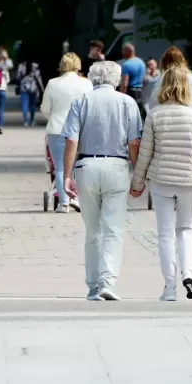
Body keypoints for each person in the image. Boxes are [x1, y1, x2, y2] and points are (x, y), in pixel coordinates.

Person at [131, 67, 192, 301]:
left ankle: (169, 287)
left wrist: (137, 182)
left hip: (161, 181)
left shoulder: (154, 115)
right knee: (186, 230)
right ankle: (188, 274)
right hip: (189, 182)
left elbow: (145, 153)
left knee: (165, 234)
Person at [61, 61, 142, 301]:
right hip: (117, 165)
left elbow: (71, 141)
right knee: (113, 229)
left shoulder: (81, 101)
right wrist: (139, 174)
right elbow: (134, 142)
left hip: (87, 166)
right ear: (116, 79)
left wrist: (66, 175)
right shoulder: (128, 103)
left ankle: (93, 285)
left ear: (93, 78)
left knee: (92, 230)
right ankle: (108, 281)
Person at [40, 52, 93, 213]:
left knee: (60, 167)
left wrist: (53, 117)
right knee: (78, 165)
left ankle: (64, 202)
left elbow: (45, 108)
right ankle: (77, 198)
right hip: (80, 129)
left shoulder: (53, 83)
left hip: (56, 128)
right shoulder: (86, 84)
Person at [148, 46, 192, 114]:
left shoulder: (161, 80)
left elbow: (152, 104)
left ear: (164, 62)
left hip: (166, 119)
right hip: (190, 117)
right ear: (183, 61)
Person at [119, 43, 146, 120]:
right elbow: (144, 79)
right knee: (139, 114)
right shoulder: (141, 62)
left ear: (128, 51)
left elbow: (124, 84)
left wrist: (121, 96)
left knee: (129, 116)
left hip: (130, 92)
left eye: (123, 51)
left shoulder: (126, 65)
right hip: (140, 92)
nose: (122, 53)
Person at [17, 61, 44, 127]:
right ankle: (32, 120)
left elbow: (17, 77)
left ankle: (25, 121)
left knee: (24, 105)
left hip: (24, 88)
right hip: (33, 88)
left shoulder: (21, 66)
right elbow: (38, 78)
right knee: (32, 105)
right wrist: (42, 88)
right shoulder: (35, 66)